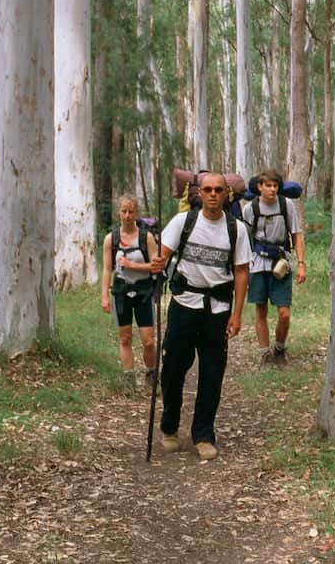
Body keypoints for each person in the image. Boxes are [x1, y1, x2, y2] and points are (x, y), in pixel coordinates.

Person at [149, 172, 250, 461]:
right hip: (183, 305)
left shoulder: (237, 229)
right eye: (208, 189)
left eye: (219, 189)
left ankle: (203, 435)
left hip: (217, 311)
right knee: (172, 371)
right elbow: (163, 254)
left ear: (227, 194)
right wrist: (157, 262)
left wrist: (237, 314)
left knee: (211, 375)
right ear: (199, 193)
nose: (214, 194)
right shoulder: (184, 222)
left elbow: (242, 271)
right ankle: (169, 426)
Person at [242, 168, 306, 369]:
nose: (271, 189)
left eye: (275, 186)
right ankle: (265, 355)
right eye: (267, 185)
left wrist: (301, 264)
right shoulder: (250, 209)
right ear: (259, 187)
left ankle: (279, 348)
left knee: (284, 312)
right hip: (257, 263)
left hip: (281, 263)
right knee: (260, 310)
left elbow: (296, 235)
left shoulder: (286, 205)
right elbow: (244, 239)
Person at [100, 194, 159, 391]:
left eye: (130, 211)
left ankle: (151, 373)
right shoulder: (111, 239)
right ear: (118, 213)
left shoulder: (146, 237)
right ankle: (129, 381)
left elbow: (156, 265)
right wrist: (104, 297)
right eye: (123, 211)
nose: (127, 215)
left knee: (148, 341)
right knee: (125, 338)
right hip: (121, 292)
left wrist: (132, 264)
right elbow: (107, 268)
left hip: (143, 291)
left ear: (136, 213)